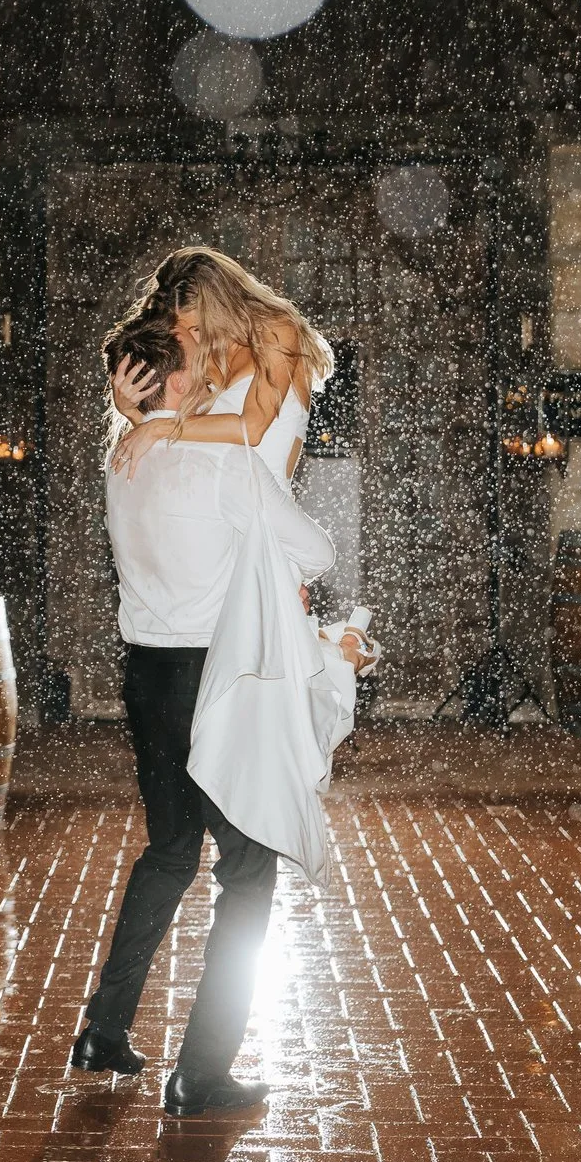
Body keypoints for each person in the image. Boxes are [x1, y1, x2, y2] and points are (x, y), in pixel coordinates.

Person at [70, 316, 339, 1118]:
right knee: (249, 872)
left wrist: (135, 413)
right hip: (212, 681)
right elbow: (318, 552)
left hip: (145, 679)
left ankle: (104, 1029)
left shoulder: (124, 458)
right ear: (181, 380)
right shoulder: (223, 462)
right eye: (199, 360)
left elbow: (152, 437)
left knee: (170, 850)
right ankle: (201, 1073)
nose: (216, 371)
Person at [108, 247, 333, 481]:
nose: (193, 340)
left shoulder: (277, 332)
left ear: (224, 308)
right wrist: (133, 413)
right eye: (183, 332)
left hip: (261, 503)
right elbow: (180, 449)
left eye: (197, 328)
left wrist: (157, 426)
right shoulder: (199, 359)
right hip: (206, 498)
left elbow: (252, 430)